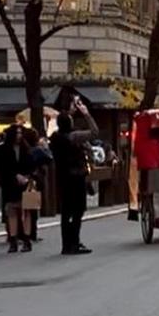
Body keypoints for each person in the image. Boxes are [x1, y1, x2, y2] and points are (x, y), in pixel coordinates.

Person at [50, 98, 100, 255]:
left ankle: (67, 244)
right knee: (78, 210)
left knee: (66, 212)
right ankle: (74, 242)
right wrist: (86, 114)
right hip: (75, 176)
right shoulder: (73, 137)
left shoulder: (55, 138)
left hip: (62, 176)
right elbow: (94, 132)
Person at [0, 125, 34, 253]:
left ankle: (27, 239)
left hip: (25, 183)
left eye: (21, 133)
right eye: (17, 133)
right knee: (12, 211)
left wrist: (27, 176)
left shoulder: (26, 148)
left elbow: (31, 164)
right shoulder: (3, 149)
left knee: (26, 211)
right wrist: (14, 175)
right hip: (10, 183)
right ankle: (13, 240)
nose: (19, 136)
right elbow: (0, 167)